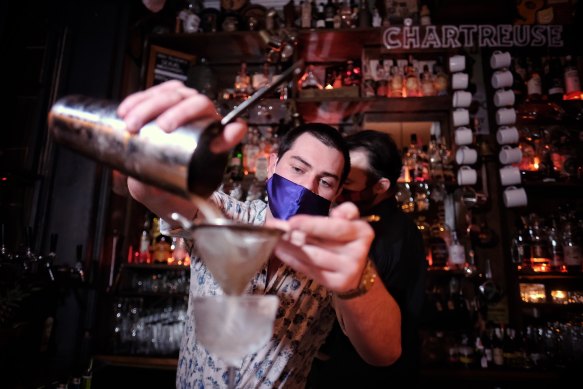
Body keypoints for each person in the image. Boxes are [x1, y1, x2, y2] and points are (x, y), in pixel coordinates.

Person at [115, 80, 402, 388]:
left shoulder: (331, 256)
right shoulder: (224, 216)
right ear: (273, 164)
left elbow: (384, 352)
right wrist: (165, 140)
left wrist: (357, 280)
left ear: (336, 194)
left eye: (326, 182)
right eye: (298, 168)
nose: (307, 187)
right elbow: (148, 189)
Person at [308, 130, 428, 387]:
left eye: (348, 184)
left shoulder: (386, 234)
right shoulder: (388, 225)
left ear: (380, 186)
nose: (339, 191)